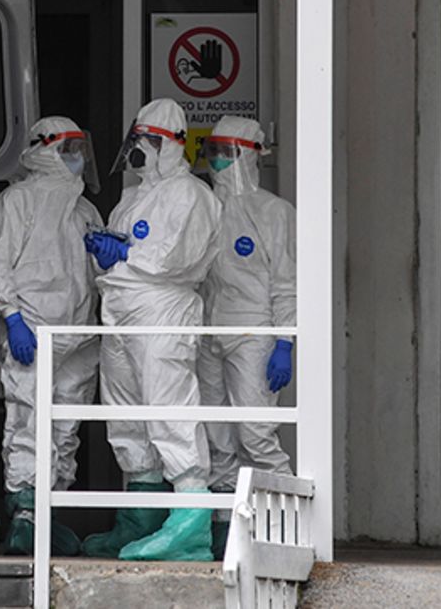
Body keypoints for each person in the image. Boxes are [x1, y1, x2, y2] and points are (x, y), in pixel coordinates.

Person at [81, 98, 221, 561]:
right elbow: (128, 248)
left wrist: (123, 254)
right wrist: (107, 248)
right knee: (126, 413)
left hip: (163, 311)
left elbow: (173, 258)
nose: (140, 150)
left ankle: (190, 524)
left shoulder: (190, 194)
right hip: (120, 311)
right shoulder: (132, 195)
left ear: (171, 144)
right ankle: (139, 516)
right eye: (137, 140)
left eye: (149, 141)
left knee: (169, 409)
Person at [0, 115, 103, 556]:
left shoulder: (84, 208)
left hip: (78, 333)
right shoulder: (17, 202)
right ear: (44, 149)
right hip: (32, 327)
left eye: (78, 149)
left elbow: (94, 272)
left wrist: (109, 257)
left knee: (66, 426)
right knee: (29, 421)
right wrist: (12, 317)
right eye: (68, 149)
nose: (76, 159)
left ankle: (51, 514)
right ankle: (27, 516)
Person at [196, 116, 295, 558]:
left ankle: (286, 525)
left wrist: (285, 341)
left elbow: (288, 281)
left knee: (255, 434)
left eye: (226, 152)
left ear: (250, 155)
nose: (217, 160)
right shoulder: (203, 207)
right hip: (209, 331)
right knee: (217, 439)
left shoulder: (273, 212)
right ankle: (225, 532)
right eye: (212, 151)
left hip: (254, 331)